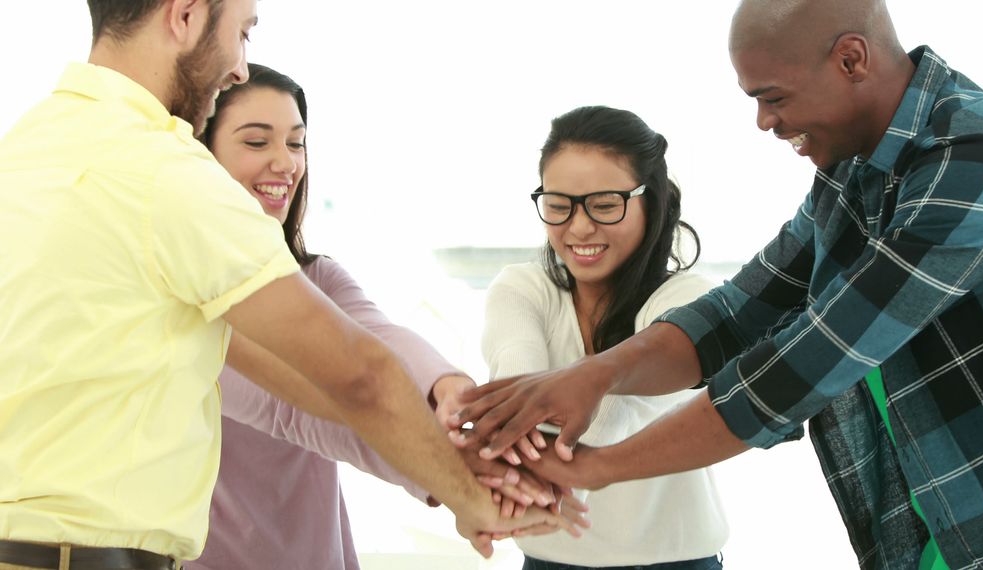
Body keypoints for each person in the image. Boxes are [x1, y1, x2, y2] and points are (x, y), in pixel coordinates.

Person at [453, 0, 983, 568]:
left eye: (773, 97)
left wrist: (598, 468)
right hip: (936, 529)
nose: (763, 122)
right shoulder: (848, 177)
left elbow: (812, 358)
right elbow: (736, 312)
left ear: (851, 58)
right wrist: (593, 376)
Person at [0, 1, 570, 567]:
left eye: (295, 142)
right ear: (185, 15)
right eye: (242, 32)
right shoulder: (164, 173)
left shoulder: (26, 151)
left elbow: (319, 373)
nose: (240, 66)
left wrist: (449, 400)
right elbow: (354, 379)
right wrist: (471, 497)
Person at [182, 62, 534, 570]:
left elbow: (381, 338)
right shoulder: (184, 294)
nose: (285, 162)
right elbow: (305, 411)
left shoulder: (316, 277)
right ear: (204, 155)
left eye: (296, 143)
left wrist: (449, 388)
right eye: (257, 142)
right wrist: (456, 484)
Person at [481, 105, 726, 570]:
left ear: (650, 201)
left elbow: (612, 414)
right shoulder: (521, 289)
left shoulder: (687, 298)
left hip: (680, 562)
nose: (579, 227)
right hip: (549, 561)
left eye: (605, 204)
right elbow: (515, 389)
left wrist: (527, 454)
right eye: (558, 204)